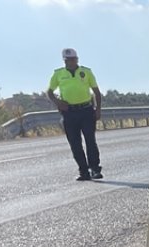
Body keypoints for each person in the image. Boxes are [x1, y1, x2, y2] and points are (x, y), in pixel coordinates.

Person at [46, 48, 103, 181]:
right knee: (75, 143)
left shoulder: (86, 72)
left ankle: (95, 168)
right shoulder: (58, 74)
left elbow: (96, 92)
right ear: (64, 61)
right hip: (69, 113)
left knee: (90, 141)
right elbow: (49, 92)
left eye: (73, 59)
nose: (71, 62)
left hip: (86, 110)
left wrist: (98, 109)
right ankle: (84, 171)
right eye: (68, 60)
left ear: (77, 59)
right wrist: (58, 102)